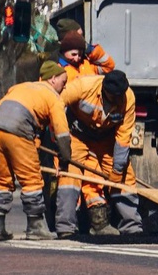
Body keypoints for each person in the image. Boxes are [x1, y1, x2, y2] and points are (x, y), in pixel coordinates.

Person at [0, 61, 72, 241]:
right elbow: (62, 132)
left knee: (1, 179)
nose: (65, 86)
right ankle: (35, 226)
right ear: (52, 79)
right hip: (18, 130)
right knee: (31, 179)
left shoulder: (19, 88)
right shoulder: (53, 97)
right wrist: (65, 160)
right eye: (63, 81)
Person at [54, 70, 142, 237]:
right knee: (69, 177)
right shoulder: (83, 86)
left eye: (119, 96)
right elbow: (56, 104)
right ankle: (65, 227)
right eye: (113, 96)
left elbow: (123, 137)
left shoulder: (128, 98)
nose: (117, 100)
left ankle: (132, 226)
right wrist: (60, 140)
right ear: (104, 89)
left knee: (124, 177)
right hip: (78, 135)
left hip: (106, 139)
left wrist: (117, 169)